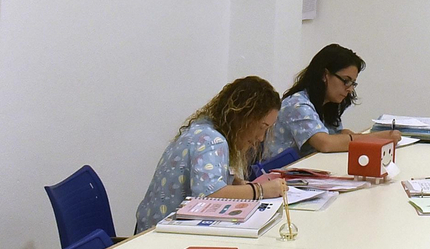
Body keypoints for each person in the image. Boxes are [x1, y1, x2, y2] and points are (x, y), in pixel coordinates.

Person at [134, 76, 287, 232]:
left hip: (150, 228)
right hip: (158, 235)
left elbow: (205, 177)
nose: (261, 138)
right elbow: (209, 196)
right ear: (244, 117)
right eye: (262, 127)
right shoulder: (212, 141)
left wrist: (234, 182)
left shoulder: (203, 128)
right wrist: (260, 191)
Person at [260, 43, 401, 162]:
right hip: (278, 175)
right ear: (324, 75)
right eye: (346, 81)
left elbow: (335, 136)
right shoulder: (297, 104)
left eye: (353, 83)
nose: (350, 89)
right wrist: (379, 137)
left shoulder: (327, 104)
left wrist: (347, 135)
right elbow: (325, 143)